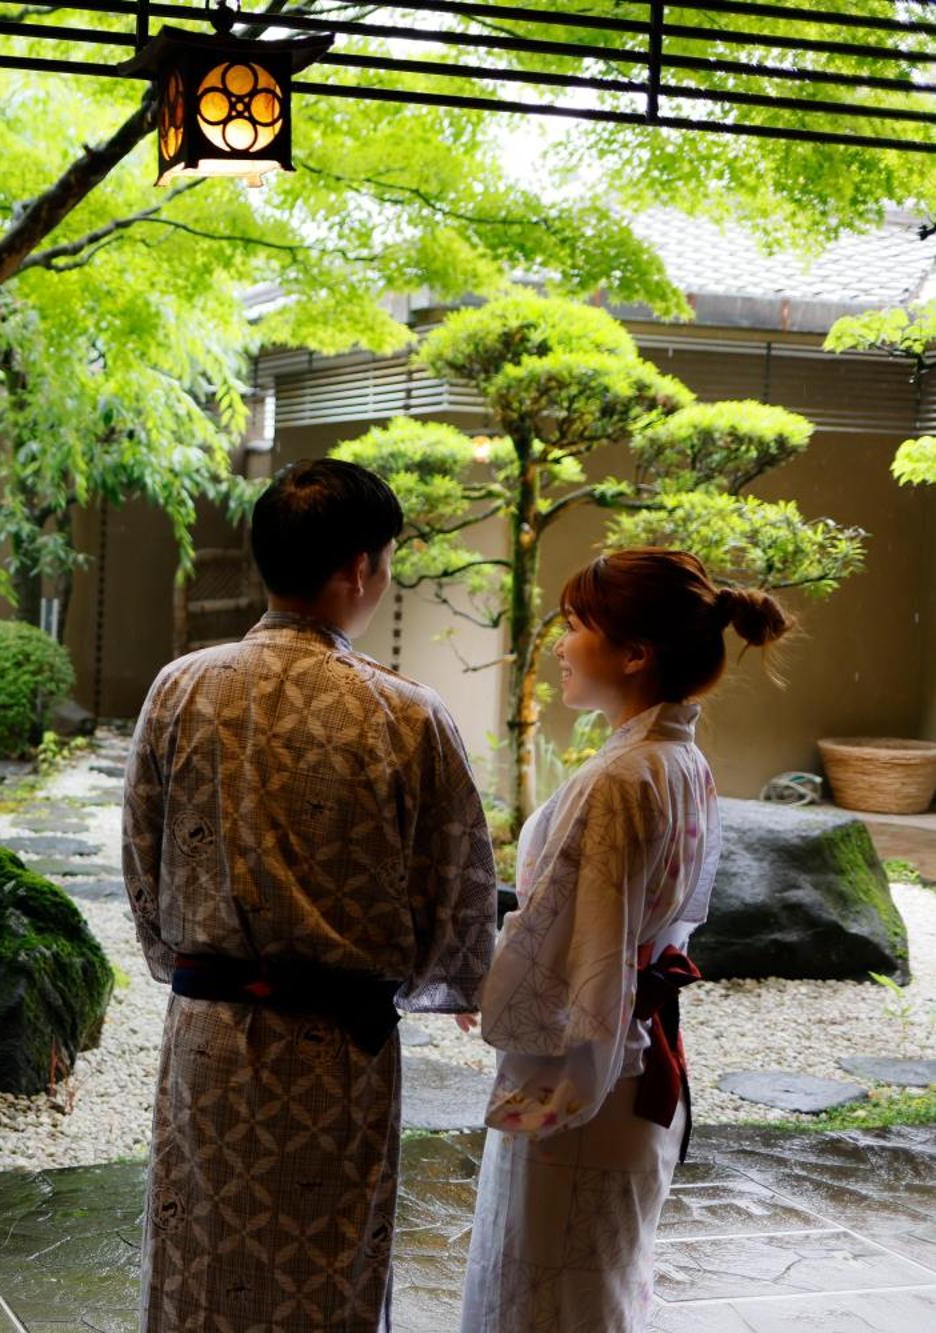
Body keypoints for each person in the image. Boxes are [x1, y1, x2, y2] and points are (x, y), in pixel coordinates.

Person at [124, 458, 498, 1332]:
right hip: (339, 1054)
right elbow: (458, 890)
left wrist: (190, 954)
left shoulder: (181, 690)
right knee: (324, 1278)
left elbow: (144, 868)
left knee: (200, 1269)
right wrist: (425, 980)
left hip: (209, 1043)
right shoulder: (405, 714)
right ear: (358, 569)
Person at [459, 548, 791, 1332]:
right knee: (594, 1281)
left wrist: (488, 989)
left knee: (556, 1297)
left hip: (590, 1073)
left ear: (636, 653)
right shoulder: (678, 759)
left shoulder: (623, 777)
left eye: (577, 626)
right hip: (635, 1056)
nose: (561, 644)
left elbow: (580, 943)